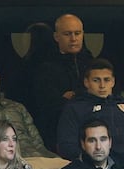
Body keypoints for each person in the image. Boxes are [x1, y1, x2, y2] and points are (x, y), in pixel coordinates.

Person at [57, 58, 124, 169]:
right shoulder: (75, 108)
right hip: (97, 166)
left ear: (113, 82)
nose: (102, 85)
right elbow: (67, 146)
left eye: (106, 80)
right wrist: (95, 160)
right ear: (86, 82)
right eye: (96, 80)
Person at [32, 13, 93, 151]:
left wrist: (74, 96)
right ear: (56, 37)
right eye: (67, 34)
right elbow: (48, 105)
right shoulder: (45, 67)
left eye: (77, 33)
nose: (73, 39)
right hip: (58, 133)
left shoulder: (91, 63)